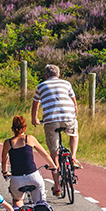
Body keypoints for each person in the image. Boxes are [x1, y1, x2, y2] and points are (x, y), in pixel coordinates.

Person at [1, 115, 58, 211]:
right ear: (25, 128)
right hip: (34, 177)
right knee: (41, 205)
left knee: (17, 200)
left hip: (16, 179)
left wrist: (5, 172)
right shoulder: (30, 139)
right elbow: (44, 153)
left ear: (12, 129)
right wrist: (53, 165)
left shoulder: (7, 143)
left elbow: (4, 160)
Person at [31, 63, 81, 198]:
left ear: (46, 76)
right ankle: (74, 158)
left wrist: (34, 119)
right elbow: (74, 102)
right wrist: (74, 114)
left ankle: (57, 187)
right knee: (74, 134)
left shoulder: (40, 86)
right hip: (68, 117)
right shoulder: (67, 83)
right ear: (59, 75)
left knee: (54, 153)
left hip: (51, 120)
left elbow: (35, 104)